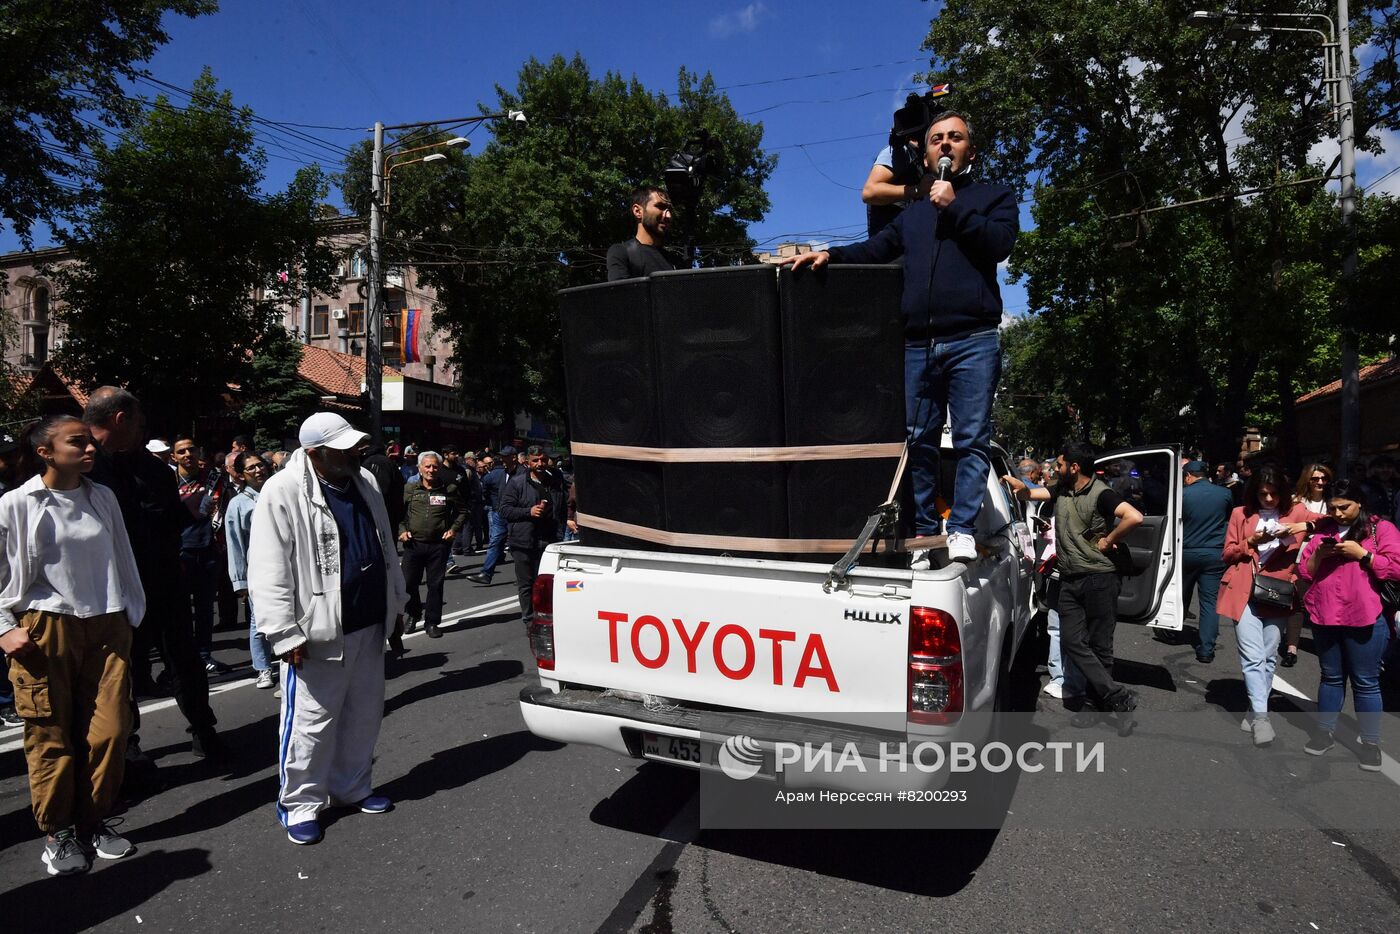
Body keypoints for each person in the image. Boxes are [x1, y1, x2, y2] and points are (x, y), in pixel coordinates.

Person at [784, 110, 1019, 565]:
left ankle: (963, 528)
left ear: (970, 150)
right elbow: (875, 250)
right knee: (920, 441)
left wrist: (954, 207)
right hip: (917, 343)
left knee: (971, 439)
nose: (945, 144)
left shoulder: (993, 196)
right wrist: (828, 254)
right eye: (936, 139)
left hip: (973, 338)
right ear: (925, 153)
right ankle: (926, 532)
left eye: (955, 138)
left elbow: (1001, 244)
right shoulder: (911, 216)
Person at [247, 413, 407, 845]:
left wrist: (396, 602)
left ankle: (352, 786)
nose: (356, 452)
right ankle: (300, 802)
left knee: (363, 713)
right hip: (317, 633)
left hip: (368, 622)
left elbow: (385, 546)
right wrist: (282, 633)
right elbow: (268, 568)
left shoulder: (364, 482)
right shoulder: (282, 491)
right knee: (311, 723)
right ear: (315, 454)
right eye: (344, 447)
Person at [0, 415, 146, 875]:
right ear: (45, 451)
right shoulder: (17, 503)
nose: (89, 450)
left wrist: (130, 612)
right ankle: (58, 831)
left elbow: (123, 555)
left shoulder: (102, 496)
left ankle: (93, 819)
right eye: (76, 442)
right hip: (46, 625)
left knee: (110, 730)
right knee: (50, 733)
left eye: (89, 442)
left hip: (107, 624)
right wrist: (5, 627)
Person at [84, 388, 224, 763]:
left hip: (162, 582)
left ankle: (203, 729)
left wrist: (187, 511)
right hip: (110, 589)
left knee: (184, 659)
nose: (143, 431)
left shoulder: (149, 466)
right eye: (140, 423)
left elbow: (165, 520)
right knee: (119, 671)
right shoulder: (84, 467)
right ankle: (127, 748)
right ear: (120, 420)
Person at [1005, 441, 1144, 723]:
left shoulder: (1102, 494)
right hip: (1069, 578)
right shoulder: (1063, 490)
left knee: (1100, 645)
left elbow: (1135, 517)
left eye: (1059, 464)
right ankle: (1115, 694)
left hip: (1100, 579)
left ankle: (1098, 705)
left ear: (1074, 467)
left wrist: (1109, 539)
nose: (1056, 469)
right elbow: (1036, 493)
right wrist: (1022, 490)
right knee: (1071, 641)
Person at [1297, 478, 1399, 770]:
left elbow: (1396, 567)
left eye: (1344, 507)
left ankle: (1370, 743)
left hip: (1366, 616)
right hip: (1324, 614)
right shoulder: (1324, 531)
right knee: (1330, 677)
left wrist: (1364, 555)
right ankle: (1324, 732)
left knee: (1366, 682)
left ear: (1360, 504)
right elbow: (1306, 572)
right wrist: (1318, 554)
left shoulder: (1382, 529)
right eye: (1332, 508)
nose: (1338, 514)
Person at [1218, 464, 1321, 746]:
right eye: (1263, 494)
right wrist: (1249, 542)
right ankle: (1263, 720)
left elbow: (1335, 520)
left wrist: (1305, 526)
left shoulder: (1296, 512)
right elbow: (1227, 554)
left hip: (1278, 591)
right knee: (1252, 657)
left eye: (1274, 494)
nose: (1268, 500)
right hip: (1242, 590)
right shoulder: (1241, 514)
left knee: (1268, 655)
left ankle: (1254, 708)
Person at [173, 438, 229, 674]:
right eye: (181, 451)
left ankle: (204, 655)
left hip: (209, 550)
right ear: (174, 456)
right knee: (181, 610)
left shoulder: (214, 478)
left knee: (206, 608)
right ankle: (181, 660)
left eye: (191, 450)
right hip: (180, 552)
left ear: (199, 452)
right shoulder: (169, 481)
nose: (187, 454)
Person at [397, 451, 468, 640]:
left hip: (438, 546)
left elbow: (462, 511)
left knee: (435, 585)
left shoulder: (449, 489)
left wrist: (454, 529)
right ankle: (412, 614)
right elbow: (398, 513)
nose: (431, 470)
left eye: (435, 466)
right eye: (427, 466)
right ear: (419, 468)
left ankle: (432, 622)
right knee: (409, 583)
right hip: (413, 545)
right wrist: (402, 531)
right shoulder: (410, 489)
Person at [498, 446, 566, 625]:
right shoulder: (517, 483)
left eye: (543, 460)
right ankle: (529, 619)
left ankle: (547, 616)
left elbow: (562, 505)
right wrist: (528, 511)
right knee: (527, 583)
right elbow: (504, 509)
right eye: (535, 460)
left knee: (547, 582)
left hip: (549, 541)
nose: (540, 463)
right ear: (527, 462)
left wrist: (569, 521)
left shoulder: (555, 480)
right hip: (524, 541)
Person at [226, 453, 275, 690]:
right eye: (251, 468)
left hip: (287, 564)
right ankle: (263, 668)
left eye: (260, 465)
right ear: (241, 475)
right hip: (259, 569)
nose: (258, 471)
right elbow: (234, 544)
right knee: (259, 621)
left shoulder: (278, 491)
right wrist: (240, 581)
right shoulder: (238, 504)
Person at [1181, 460, 1235, 663]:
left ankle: (1172, 630)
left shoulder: (1183, 495)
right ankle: (1206, 649)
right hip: (1214, 553)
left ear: (1188, 476)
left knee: (1180, 595)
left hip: (1187, 551)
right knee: (1210, 602)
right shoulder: (1224, 494)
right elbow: (1228, 517)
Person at [1284, 462, 1335, 667]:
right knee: (1297, 603)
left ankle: (1325, 646)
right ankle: (1291, 648)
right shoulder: (1296, 502)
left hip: (1327, 559)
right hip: (1299, 558)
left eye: (1324, 478)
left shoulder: (1333, 502)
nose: (1320, 482)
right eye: (1315, 478)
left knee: (1323, 603)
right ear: (1307, 480)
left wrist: (1309, 526)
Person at [606, 186, 679, 281]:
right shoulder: (622, 252)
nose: (668, 216)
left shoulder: (674, 260)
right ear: (638, 211)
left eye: (670, 210)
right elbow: (620, 294)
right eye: (660, 207)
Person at [468, 446, 516, 585]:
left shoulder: (521, 473)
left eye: (506, 456)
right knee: (495, 542)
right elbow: (485, 493)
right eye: (502, 457)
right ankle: (486, 573)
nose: (503, 459)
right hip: (500, 513)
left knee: (518, 545)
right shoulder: (497, 475)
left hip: (516, 514)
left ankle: (524, 576)